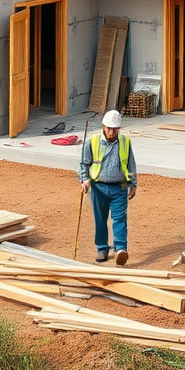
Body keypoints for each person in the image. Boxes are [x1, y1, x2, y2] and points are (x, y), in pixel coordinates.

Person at [79, 110, 137, 265]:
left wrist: (133, 184)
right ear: (103, 126)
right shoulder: (92, 142)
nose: (112, 132)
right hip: (99, 187)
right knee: (100, 219)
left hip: (120, 187)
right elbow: (84, 164)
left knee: (119, 218)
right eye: (109, 128)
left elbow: (130, 164)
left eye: (115, 129)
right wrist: (84, 179)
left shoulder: (125, 142)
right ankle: (102, 248)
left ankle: (120, 249)